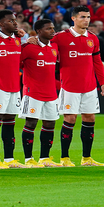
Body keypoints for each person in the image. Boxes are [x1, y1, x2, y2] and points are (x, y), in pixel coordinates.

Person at [32, 6, 104, 167]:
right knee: (70, 118)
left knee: (90, 118)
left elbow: (97, 62)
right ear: (73, 19)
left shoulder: (93, 39)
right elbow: (44, 45)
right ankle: (64, 158)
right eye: (82, 17)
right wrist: (33, 40)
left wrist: (102, 83)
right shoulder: (60, 37)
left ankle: (86, 158)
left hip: (89, 86)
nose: (86, 20)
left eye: (88, 17)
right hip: (69, 86)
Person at [0, 9, 28, 169]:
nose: (15, 24)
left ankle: (9, 159)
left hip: (14, 86)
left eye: (15, 21)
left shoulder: (17, 39)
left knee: (10, 123)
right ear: (1, 24)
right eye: (11, 21)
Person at [19, 19, 63, 167]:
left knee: (50, 124)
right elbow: (15, 63)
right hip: (33, 92)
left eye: (53, 28)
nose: (52, 31)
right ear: (38, 31)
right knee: (31, 123)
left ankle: (44, 158)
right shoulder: (28, 47)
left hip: (51, 93)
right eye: (48, 29)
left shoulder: (55, 47)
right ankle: (28, 159)